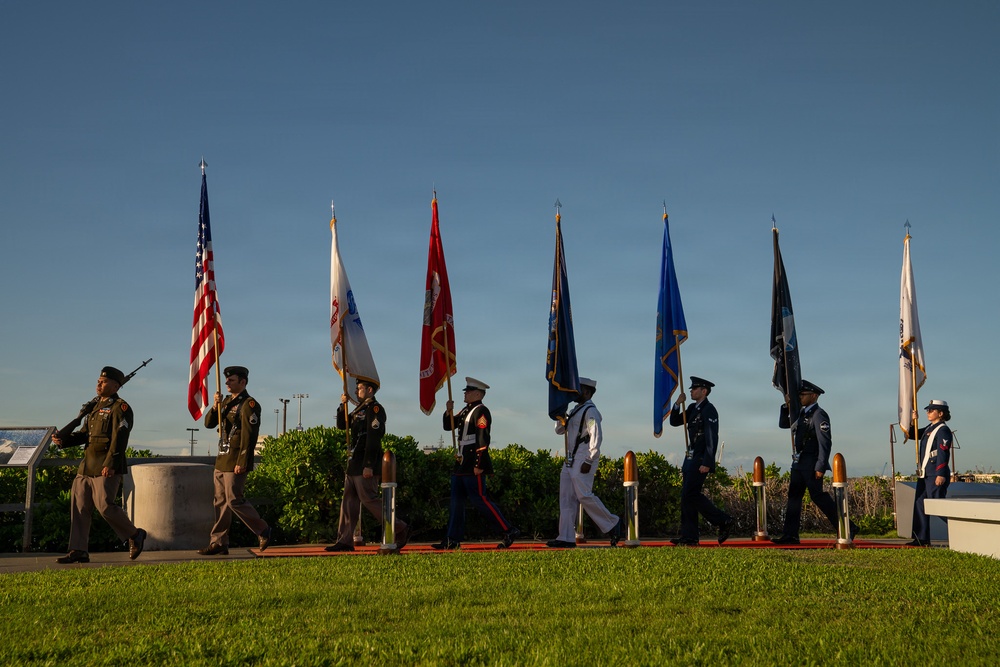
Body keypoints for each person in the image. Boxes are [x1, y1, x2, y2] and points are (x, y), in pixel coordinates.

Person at [51, 366, 147, 564]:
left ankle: (135, 534)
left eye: (103, 382)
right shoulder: (94, 407)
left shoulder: (120, 408)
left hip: (106, 466)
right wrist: (64, 441)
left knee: (105, 506)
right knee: (79, 508)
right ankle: (78, 550)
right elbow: (86, 434)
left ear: (115, 385)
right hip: (87, 466)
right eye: (98, 381)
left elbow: (119, 438)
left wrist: (111, 463)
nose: (98, 384)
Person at [433, 377, 519, 550]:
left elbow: (482, 438)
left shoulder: (481, 411)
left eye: (469, 391)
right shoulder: (466, 410)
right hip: (461, 462)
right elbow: (448, 426)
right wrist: (448, 411)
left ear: (478, 394)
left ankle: (508, 530)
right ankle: (452, 539)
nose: (465, 393)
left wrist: (479, 464)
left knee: (480, 500)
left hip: (473, 462)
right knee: (456, 502)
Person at [325, 379, 409, 552]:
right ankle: (345, 540)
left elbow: (373, 439)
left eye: (359, 388)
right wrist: (343, 406)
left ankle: (400, 527)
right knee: (349, 502)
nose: (356, 391)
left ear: (370, 390)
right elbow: (343, 425)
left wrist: (369, 465)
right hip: (354, 462)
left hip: (364, 463)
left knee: (369, 499)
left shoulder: (375, 409)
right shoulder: (359, 409)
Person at [198, 366, 271, 555]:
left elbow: (249, 435)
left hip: (236, 459)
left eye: (231, 380)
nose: (227, 383)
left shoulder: (249, 404)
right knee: (220, 502)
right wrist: (215, 407)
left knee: (234, 500)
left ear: (243, 382)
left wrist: (243, 461)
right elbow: (208, 424)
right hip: (222, 458)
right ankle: (219, 542)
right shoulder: (225, 402)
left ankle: (262, 529)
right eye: (227, 380)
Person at [773, 380, 857, 544]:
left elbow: (825, 442)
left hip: (811, 464)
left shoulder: (819, 415)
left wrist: (820, 466)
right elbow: (784, 424)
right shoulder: (802, 413)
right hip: (799, 463)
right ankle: (790, 535)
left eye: (803, 395)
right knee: (794, 498)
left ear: (814, 396)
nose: (800, 397)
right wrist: (786, 406)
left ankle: (849, 527)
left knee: (818, 497)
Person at [546, 377, 623, 549]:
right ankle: (565, 537)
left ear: (587, 392)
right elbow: (560, 430)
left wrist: (590, 458)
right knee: (566, 498)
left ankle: (613, 522)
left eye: (578, 389)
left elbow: (596, 435)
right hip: (570, 458)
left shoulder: (591, 411)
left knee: (583, 495)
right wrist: (561, 413)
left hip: (583, 456)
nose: (574, 392)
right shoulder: (574, 410)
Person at [667, 376, 734, 546]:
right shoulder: (691, 408)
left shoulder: (709, 410)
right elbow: (675, 422)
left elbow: (712, 437)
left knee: (691, 494)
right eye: (691, 388)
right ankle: (689, 537)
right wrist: (677, 404)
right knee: (686, 496)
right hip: (689, 458)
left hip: (700, 458)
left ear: (704, 391)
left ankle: (723, 521)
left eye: (695, 388)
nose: (691, 391)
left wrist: (708, 462)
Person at [907, 399, 953, 547]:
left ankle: (964, 526)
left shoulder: (943, 430)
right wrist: (913, 422)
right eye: (928, 410)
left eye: (931, 410)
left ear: (940, 413)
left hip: (935, 474)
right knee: (920, 505)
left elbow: (943, 453)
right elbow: (913, 435)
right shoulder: (929, 428)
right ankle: (921, 538)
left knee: (938, 506)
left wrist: (940, 474)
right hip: (925, 474)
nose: (928, 412)